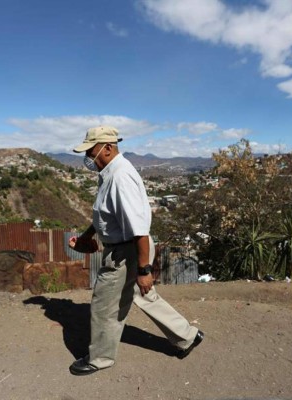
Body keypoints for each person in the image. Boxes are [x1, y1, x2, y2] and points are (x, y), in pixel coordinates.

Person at [68, 125, 203, 376]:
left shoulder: (120, 177)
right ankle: (187, 336)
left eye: (91, 151)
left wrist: (144, 269)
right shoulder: (109, 172)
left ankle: (100, 358)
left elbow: (139, 230)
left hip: (126, 251)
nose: (87, 157)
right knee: (144, 296)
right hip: (126, 248)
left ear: (107, 148)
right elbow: (107, 214)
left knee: (104, 306)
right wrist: (88, 236)